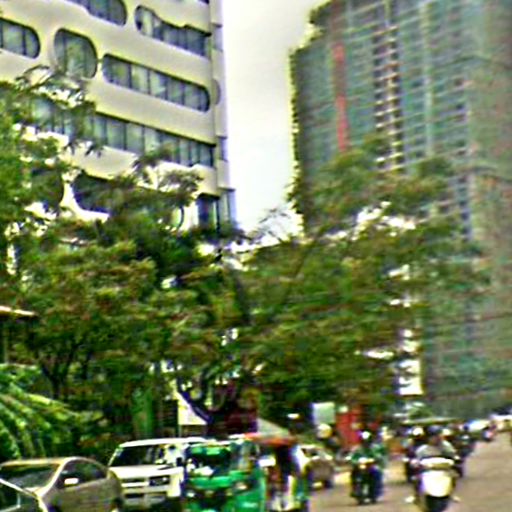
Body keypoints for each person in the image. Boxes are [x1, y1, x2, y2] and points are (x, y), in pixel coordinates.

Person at [348, 430, 386, 499]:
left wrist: (375, 459)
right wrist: (353, 461)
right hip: (360, 466)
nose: (365, 442)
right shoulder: (357, 449)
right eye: (364, 441)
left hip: (371, 466)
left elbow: (379, 456)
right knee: (353, 473)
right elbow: (352, 457)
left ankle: (377, 490)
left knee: (377, 473)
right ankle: (355, 489)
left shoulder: (374, 448)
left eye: (367, 441)